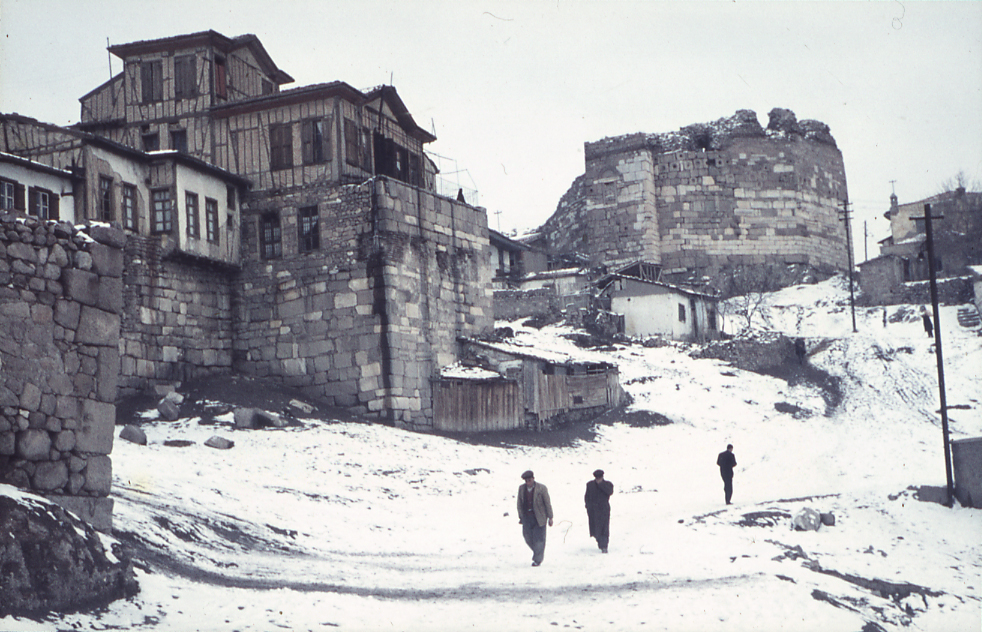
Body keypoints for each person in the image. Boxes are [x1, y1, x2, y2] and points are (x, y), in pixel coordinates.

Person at [517, 470, 553, 566]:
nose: (528, 482)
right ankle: (538, 552)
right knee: (527, 537)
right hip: (527, 518)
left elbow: (547, 503)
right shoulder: (521, 489)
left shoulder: (542, 488)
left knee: (539, 539)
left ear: (533, 478)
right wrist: (521, 516)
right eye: (526, 481)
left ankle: (537, 560)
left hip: (539, 518)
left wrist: (550, 517)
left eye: (529, 480)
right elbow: (519, 503)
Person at [584, 469, 614, 553]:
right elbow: (587, 497)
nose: (598, 479)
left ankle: (604, 546)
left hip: (604, 509)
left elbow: (610, 492)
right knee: (595, 529)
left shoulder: (608, 484)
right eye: (597, 478)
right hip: (593, 510)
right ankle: (600, 541)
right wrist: (588, 507)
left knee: (604, 528)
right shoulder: (590, 485)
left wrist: (601, 485)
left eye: (599, 478)